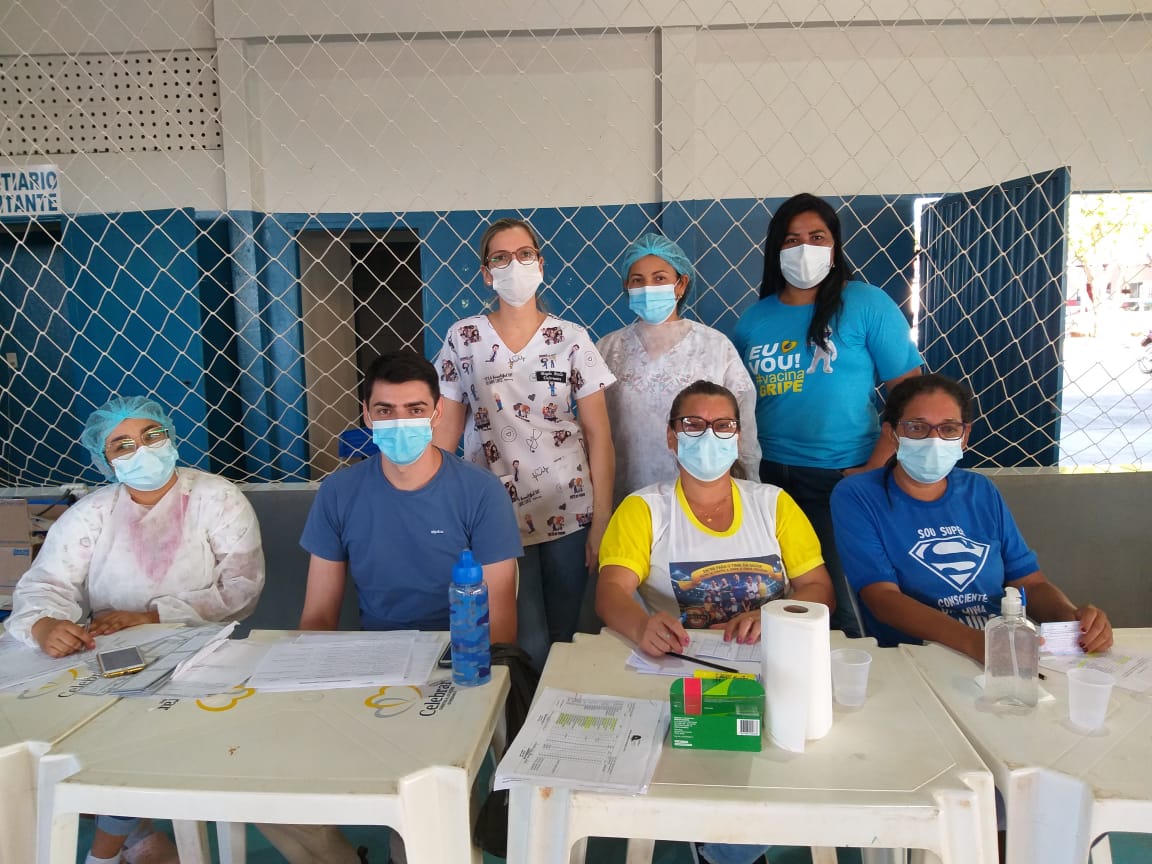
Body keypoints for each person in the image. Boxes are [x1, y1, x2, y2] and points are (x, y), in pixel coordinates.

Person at [270, 350, 522, 864]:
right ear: (366, 415)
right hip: (374, 664)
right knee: (268, 786)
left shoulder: (480, 493)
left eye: (414, 409)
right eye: (385, 410)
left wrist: (457, 688)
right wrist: (305, 690)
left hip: (461, 666)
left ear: (436, 413)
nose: (399, 421)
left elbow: (500, 626)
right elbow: (318, 617)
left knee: (426, 823)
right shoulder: (339, 492)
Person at [9, 395, 265, 864]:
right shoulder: (93, 512)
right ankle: (135, 836)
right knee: (69, 735)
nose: (141, 450)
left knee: (140, 738)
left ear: (171, 436)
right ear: (105, 459)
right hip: (110, 650)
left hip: (205, 652)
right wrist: (45, 624)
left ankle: (103, 853)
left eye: (151, 435)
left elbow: (241, 590)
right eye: (122, 445)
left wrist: (151, 616)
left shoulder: (216, 497)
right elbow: (47, 583)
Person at [733, 193, 923, 637]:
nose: (805, 248)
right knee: (775, 596)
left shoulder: (866, 303)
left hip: (842, 476)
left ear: (835, 246)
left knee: (843, 605)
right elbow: (739, 404)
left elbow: (910, 397)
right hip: (767, 479)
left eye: (817, 237)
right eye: (791, 239)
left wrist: (874, 467)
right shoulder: (753, 320)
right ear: (775, 250)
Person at [433, 217, 615, 672]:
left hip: (569, 507)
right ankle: (520, 712)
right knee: (523, 641)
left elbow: (599, 435)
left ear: (541, 264)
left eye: (524, 254)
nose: (514, 264)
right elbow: (445, 434)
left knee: (566, 635)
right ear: (486, 273)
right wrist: (436, 508)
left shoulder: (571, 339)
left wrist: (601, 520)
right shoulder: (464, 338)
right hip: (492, 511)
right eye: (501, 257)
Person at [830, 373, 1113, 660]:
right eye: (916, 428)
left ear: (964, 436)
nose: (934, 440)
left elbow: (1029, 582)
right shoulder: (859, 495)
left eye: (948, 428)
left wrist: (1073, 621)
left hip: (1001, 649)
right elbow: (881, 597)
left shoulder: (981, 490)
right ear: (892, 434)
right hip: (918, 656)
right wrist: (975, 643)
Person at [596, 380, 834, 656]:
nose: (709, 436)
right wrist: (641, 628)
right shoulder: (643, 509)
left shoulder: (774, 503)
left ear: (738, 438)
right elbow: (611, 591)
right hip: (679, 661)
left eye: (723, 426)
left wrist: (775, 616)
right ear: (671, 437)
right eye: (693, 425)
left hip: (774, 657)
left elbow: (820, 589)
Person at [598, 233, 760, 502]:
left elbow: (743, 428)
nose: (648, 288)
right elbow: (593, 430)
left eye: (659, 278)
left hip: (702, 495)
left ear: (681, 284)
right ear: (627, 286)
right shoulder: (607, 349)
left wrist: (747, 488)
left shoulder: (715, 346)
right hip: (626, 495)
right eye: (638, 280)